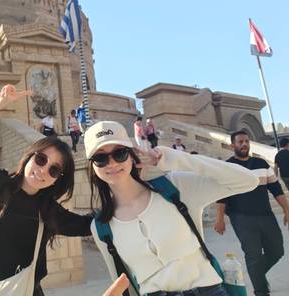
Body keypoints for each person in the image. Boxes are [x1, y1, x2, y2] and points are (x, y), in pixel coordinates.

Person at [84, 121, 261, 296]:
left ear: (132, 155)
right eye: (100, 158)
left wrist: (168, 158)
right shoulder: (100, 226)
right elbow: (122, 284)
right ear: (92, 165)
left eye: (120, 153)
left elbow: (247, 180)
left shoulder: (174, 188)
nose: (112, 163)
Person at [0, 86, 93, 295]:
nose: (43, 170)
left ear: (56, 180)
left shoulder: (49, 211)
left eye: (53, 170)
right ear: (30, 156)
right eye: (41, 159)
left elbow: (92, 224)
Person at [214, 130, 289, 296]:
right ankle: (261, 291)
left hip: (266, 215)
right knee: (253, 255)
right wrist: (219, 218)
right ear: (233, 145)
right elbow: (222, 195)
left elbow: (276, 189)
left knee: (277, 251)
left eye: (247, 141)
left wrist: (286, 209)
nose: (244, 144)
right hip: (241, 217)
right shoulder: (228, 167)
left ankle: (258, 276)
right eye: (240, 142)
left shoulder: (261, 164)